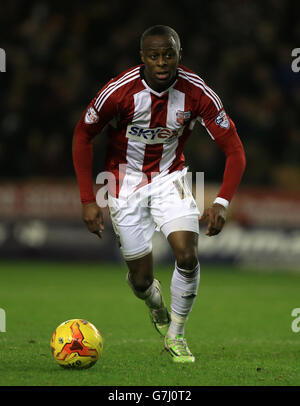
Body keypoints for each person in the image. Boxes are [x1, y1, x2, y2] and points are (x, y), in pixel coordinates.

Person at [72, 25, 246, 363]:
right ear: (143, 58)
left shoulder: (198, 93)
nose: (162, 61)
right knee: (141, 282)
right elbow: (82, 136)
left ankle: (176, 335)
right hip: (123, 184)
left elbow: (235, 150)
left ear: (180, 55)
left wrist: (222, 202)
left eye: (168, 54)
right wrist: (87, 200)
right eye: (154, 55)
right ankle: (155, 303)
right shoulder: (119, 92)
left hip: (171, 178)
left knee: (186, 254)